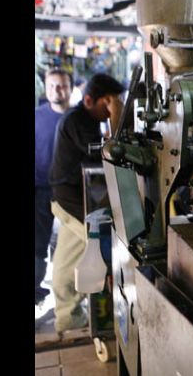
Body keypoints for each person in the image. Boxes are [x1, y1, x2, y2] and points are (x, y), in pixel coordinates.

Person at [49, 73, 125, 333]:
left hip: (75, 198)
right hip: (71, 200)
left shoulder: (87, 120)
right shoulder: (77, 120)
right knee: (102, 253)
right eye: (108, 103)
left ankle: (70, 318)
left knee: (71, 260)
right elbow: (112, 152)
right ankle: (92, 320)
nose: (111, 108)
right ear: (90, 100)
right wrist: (118, 118)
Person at [35, 69, 73, 308]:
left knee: (72, 243)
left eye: (61, 86)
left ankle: (70, 291)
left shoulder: (78, 118)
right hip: (40, 189)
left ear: (70, 88)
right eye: (51, 86)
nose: (56, 91)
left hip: (70, 192)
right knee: (38, 241)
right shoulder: (37, 116)